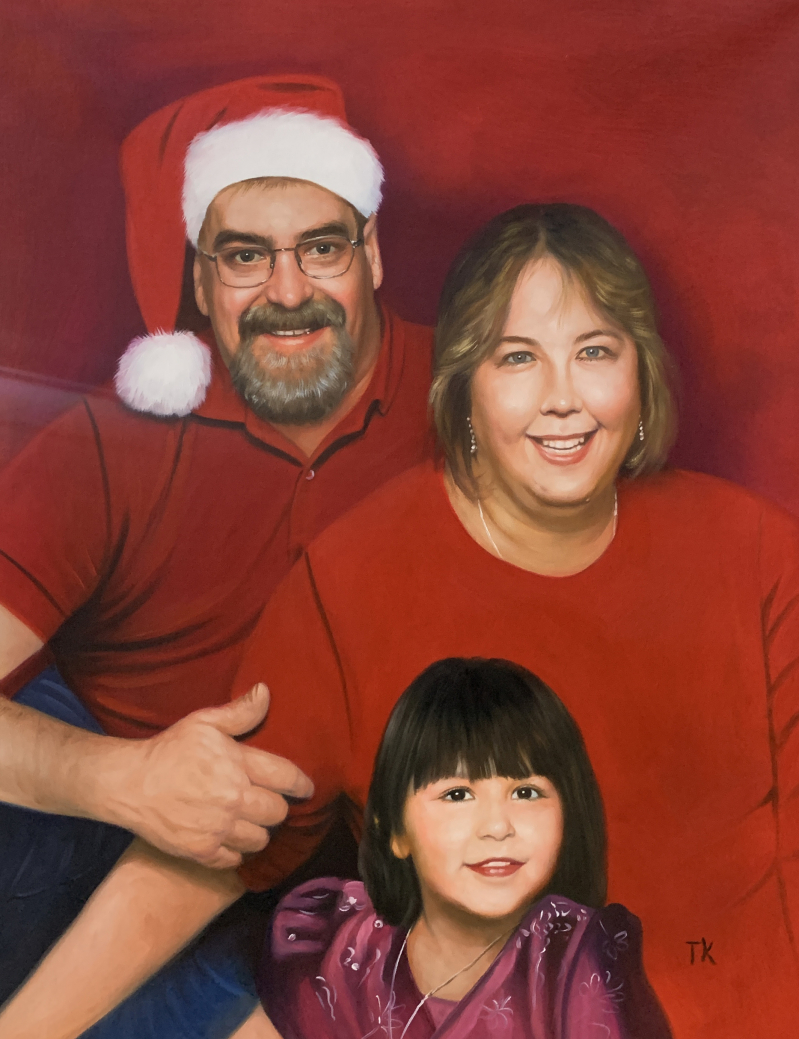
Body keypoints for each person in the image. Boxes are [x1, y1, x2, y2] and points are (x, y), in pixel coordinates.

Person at [5, 204, 797, 1038]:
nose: (563, 398)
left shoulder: (753, 550)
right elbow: (228, 838)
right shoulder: (352, 578)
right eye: (517, 358)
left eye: (594, 351)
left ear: (640, 374)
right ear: (461, 386)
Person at [0, 74, 433, 1035]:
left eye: (320, 246)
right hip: (82, 804)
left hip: (312, 867)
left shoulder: (473, 404)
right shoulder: (115, 439)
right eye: (243, 255)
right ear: (199, 278)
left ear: (371, 253)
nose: (287, 293)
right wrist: (120, 778)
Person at [260, 657, 673, 1039]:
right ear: (395, 832)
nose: (497, 827)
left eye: (526, 792)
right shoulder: (335, 954)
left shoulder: (582, 965)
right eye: (457, 795)